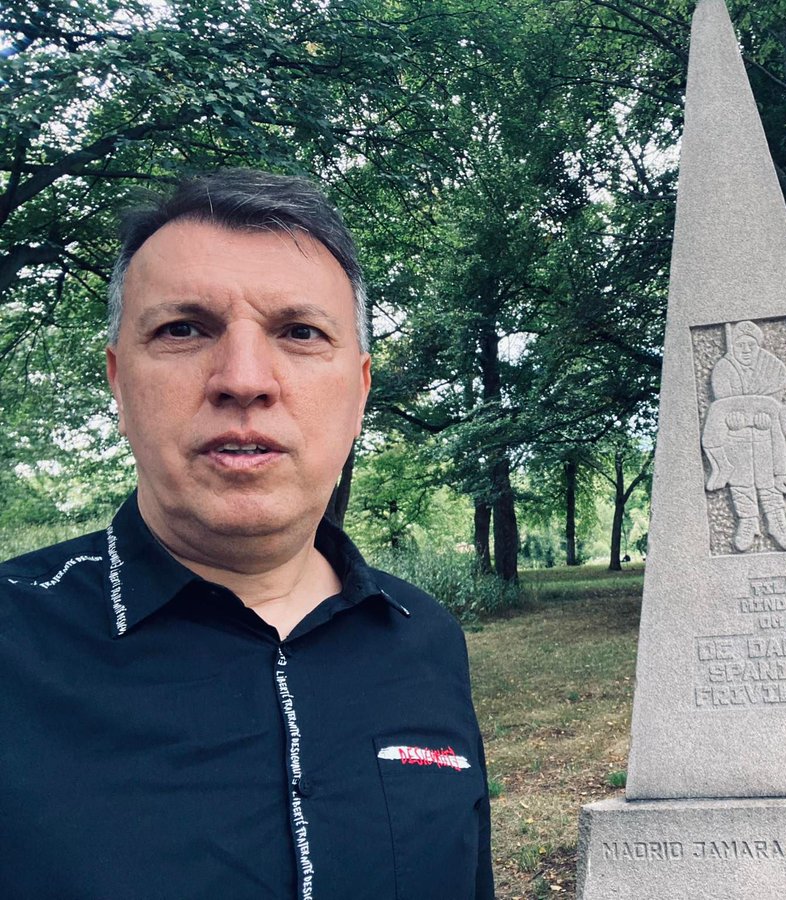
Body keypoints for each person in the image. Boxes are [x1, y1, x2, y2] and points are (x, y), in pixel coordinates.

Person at [0, 169, 494, 898]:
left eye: (299, 332)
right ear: (119, 383)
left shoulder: (426, 640)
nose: (243, 378)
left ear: (359, 393)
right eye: (184, 329)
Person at [701, 320, 786, 552]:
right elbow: (722, 404)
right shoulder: (724, 369)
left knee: (768, 482)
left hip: (765, 437)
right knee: (741, 482)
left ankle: (777, 522)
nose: (745, 350)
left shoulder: (772, 368)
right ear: (733, 347)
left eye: (750, 345)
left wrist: (767, 417)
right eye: (740, 345)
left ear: (758, 346)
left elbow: (774, 404)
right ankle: (748, 522)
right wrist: (732, 420)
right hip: (736, 440)